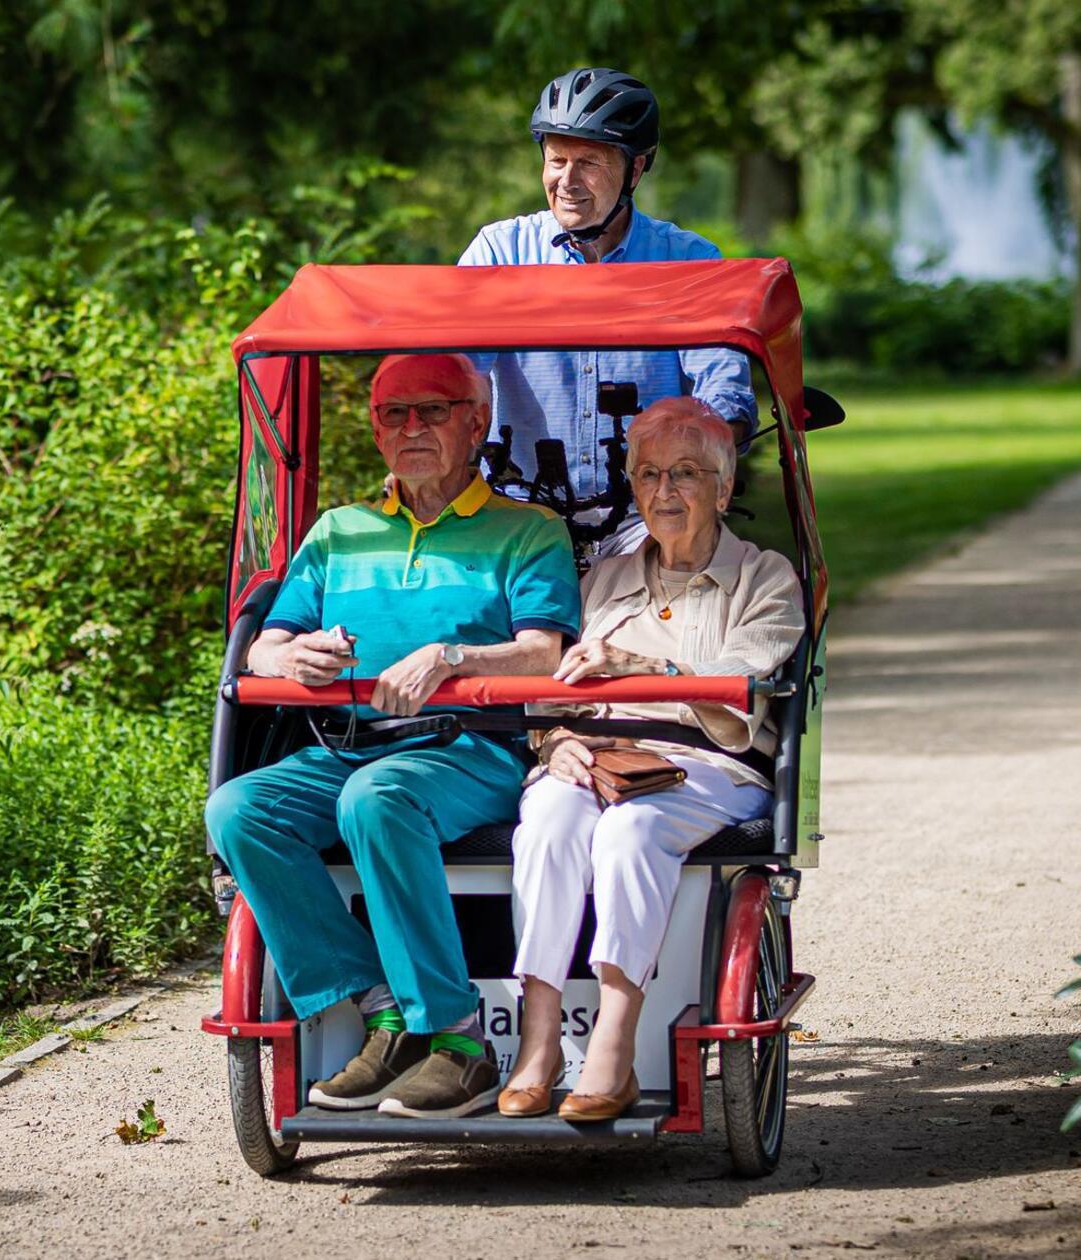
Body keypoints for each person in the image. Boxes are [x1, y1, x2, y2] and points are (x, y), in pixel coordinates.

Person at [205, 353, 581, 1120]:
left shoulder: (528, 531)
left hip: (471, 747)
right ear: (375, 431)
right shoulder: (339, 531)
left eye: (433, 411)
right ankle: (379, 1006)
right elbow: (263, 646)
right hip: (348, 741)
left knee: (376, 799)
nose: (412, 428)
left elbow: (545, 650)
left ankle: (458, 1039)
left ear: (476, 422)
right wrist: (289, 654)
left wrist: (453, 656)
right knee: (238, 810)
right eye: (394, 414)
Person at [497, 397, 804, 1121]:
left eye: (687, 474)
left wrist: (637, 664)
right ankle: (537, 1043)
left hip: (707, 767)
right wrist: (555, 740)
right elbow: (549, 694)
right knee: (544, 817)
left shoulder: (766, 579)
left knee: (630, 830)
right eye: (649, 475)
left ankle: (613, 1041)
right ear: (632, 487)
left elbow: (736, 704)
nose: (665, 492)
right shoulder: (600, 577)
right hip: (597, 754)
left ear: (724, 489)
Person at [460, 67, 756, 557]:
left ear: (635, 170)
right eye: (556, 160)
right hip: (515, 512)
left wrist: (704, 441)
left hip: (648, 518)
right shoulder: (499, 251)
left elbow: (724, 388)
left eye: (589, 162)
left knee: (686, 616)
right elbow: (456, 374)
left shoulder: (688, 260)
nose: (567, 181)